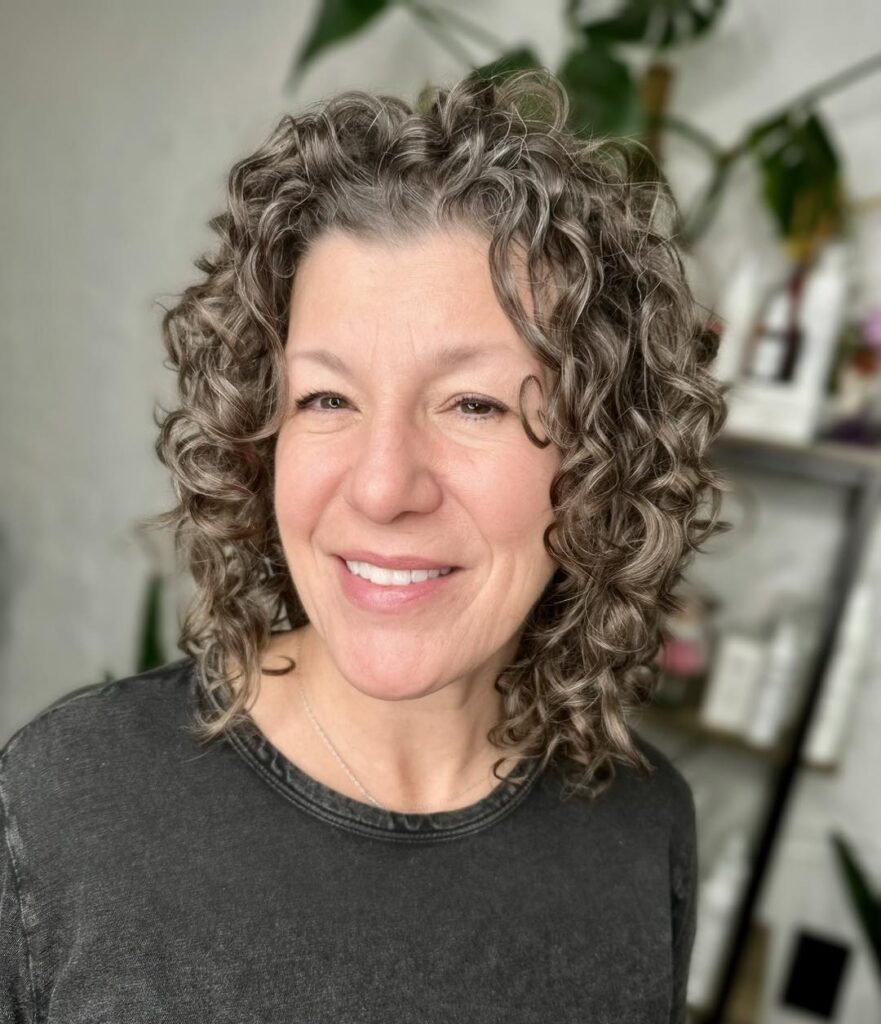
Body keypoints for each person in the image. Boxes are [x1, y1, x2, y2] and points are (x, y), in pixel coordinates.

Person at [0, 68, 730, 1023]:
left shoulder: (642, 831)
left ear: (602, 455)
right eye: (327, 399)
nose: (383, 486)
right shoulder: (66, 804)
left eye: (471, 403)